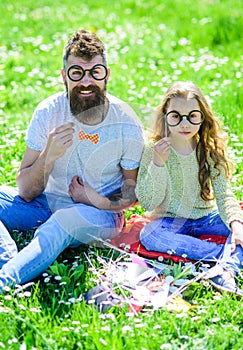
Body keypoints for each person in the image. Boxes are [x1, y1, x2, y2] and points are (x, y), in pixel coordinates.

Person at [0, 29, 144, 289]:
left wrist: (93, 198)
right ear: (64, 76)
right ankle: (13, 263)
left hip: (100, 214)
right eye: (77, 73)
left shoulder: (125, 122)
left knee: (62, 223)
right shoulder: (48, 112)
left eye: (95, 72)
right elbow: (26, 191)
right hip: (48, 204)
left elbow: (132, 193)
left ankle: (4, 281)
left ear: (106, 75)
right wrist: (49, 156)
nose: (86, 82)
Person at [135, 81, 243, 296]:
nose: (184, 124)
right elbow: (148, 201)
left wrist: (236, 225)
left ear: (203, 117)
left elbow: (223, 193)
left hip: (206, 216)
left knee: (240, 225)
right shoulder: (153, 148)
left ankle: (225, 270)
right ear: (165, 116)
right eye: (176, 116)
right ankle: (227, 260)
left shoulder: (209, 149)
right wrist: (158, 163)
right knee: (150, 235)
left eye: (192, 116)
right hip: (169, 221)